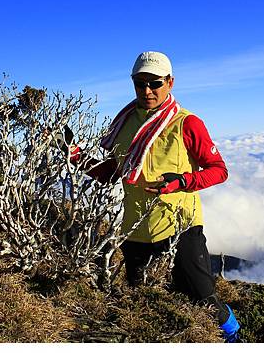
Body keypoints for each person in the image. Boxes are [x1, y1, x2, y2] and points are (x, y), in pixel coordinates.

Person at [70, 51, 240, 342]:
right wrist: (74, 154)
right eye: (140, 83)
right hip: (136, 231)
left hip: (180, 227)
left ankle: (234, 337)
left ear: (170, 83)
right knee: (144, 301)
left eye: (155, 83)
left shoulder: (187, 123)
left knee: (203, 298)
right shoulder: (123, 123)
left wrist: (183, 181)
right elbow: (112, 172)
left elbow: (219, 170)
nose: (147, 90)